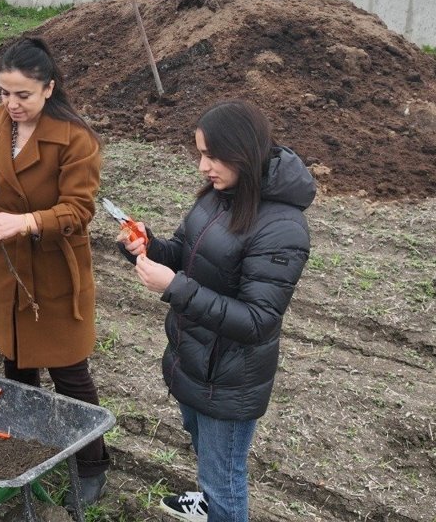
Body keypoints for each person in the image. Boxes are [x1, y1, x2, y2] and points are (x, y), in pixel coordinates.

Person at [119, 100, 315, 522]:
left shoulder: (282, 228)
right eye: (200, 154)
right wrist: (148, 246)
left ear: (243, 152)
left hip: (228, 378)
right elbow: (186, 252)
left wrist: (174, 288)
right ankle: (208, 503)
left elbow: (258, 321)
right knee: (207, 454)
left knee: (223, 480)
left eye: (212, 155)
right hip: (193, 358)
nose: (203, 167)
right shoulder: (219, 195)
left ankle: (218, 508)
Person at [0, 38, 110, 510]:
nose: (12, 104)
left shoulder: (75, 139)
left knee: (69, 371)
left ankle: (93, 463)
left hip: (55, 270)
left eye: (24, 95)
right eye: (5, 93)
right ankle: (25, 445)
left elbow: (79, 209)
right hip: (8, 267)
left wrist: (26, 222)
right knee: (15, 360)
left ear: (49, 88)